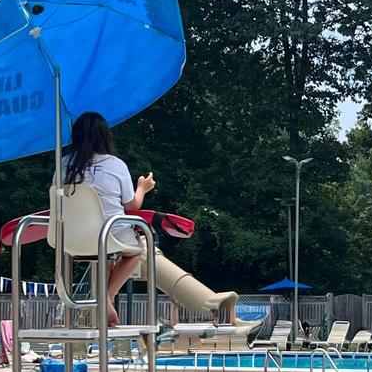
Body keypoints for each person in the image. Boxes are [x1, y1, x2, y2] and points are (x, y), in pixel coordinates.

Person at [60, 112, 240, 329]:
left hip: (68, 236)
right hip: (108, 232)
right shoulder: (115, 165)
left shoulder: (62, 165)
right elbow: (131, 207)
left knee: (107, 255)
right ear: (104, 137)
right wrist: (142, 188)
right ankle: (106, 296)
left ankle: (103, 298)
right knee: (136, 250)